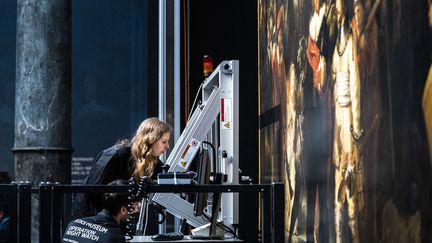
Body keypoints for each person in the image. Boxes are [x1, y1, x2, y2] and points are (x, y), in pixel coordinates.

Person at [73, 117, 171, 220]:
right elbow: (93, 191)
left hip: (115, 219)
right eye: (164, 142)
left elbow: (167, 179)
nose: (167, 146)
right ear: (150, 140)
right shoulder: (116, 155)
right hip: (90, 217)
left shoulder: (153, 162)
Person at [295, 0, 335, 242]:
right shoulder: (306, 84)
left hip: (321, 151)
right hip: (311, 153)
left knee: (324, 197)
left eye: (314, 52)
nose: (312, 56)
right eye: (310, 53)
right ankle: (310, 237)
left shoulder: (323, 74)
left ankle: (323, 236)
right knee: (311, 199)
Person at [331, 0, 364, 242]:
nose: (336, 7)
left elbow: (356, 88)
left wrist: (357, 127)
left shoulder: (350, 42)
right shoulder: (338, 45)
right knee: (336, 183)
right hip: (338, 121)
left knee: (351, 180)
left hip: (349, 117)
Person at [62, 180, 131, 243]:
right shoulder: (114, 237)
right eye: (133, 206)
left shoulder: (73, 224)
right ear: (123, 210)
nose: (135, 209)